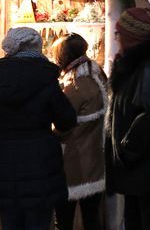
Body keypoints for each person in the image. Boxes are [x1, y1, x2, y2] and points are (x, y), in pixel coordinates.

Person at [0, 27, 77, 230]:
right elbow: (67, 119)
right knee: (39, 221)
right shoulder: (45, 77)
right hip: (41, 159)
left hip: (4, 158)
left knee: (10, 221)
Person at [105, 7, 150, 230]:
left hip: (144, 164)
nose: (117, 39)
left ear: (130, 36)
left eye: (119, 34)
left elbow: (149, 115)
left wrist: (126, 149)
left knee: (148, 219)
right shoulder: (132, 65)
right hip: (136, 166)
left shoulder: (147, 68)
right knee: (137, 218)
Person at [51, 33, 107, 230]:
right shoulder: (96, 73)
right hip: (95, 160)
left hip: (73, 162)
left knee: (64, 220)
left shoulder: (75, 83)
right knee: (92, 217)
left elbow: (61, 122)